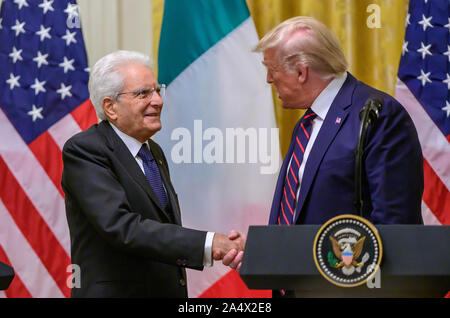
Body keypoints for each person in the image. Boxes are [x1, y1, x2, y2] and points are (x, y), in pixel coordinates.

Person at [61, 50, 244, 298]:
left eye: (157, 90)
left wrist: (220, 245)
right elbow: (121, 227)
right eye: (143, 93)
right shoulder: (86, 150)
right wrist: (211, 244)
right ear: (110, 107)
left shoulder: (153, 151)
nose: (157, 101)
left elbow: (160, 225)